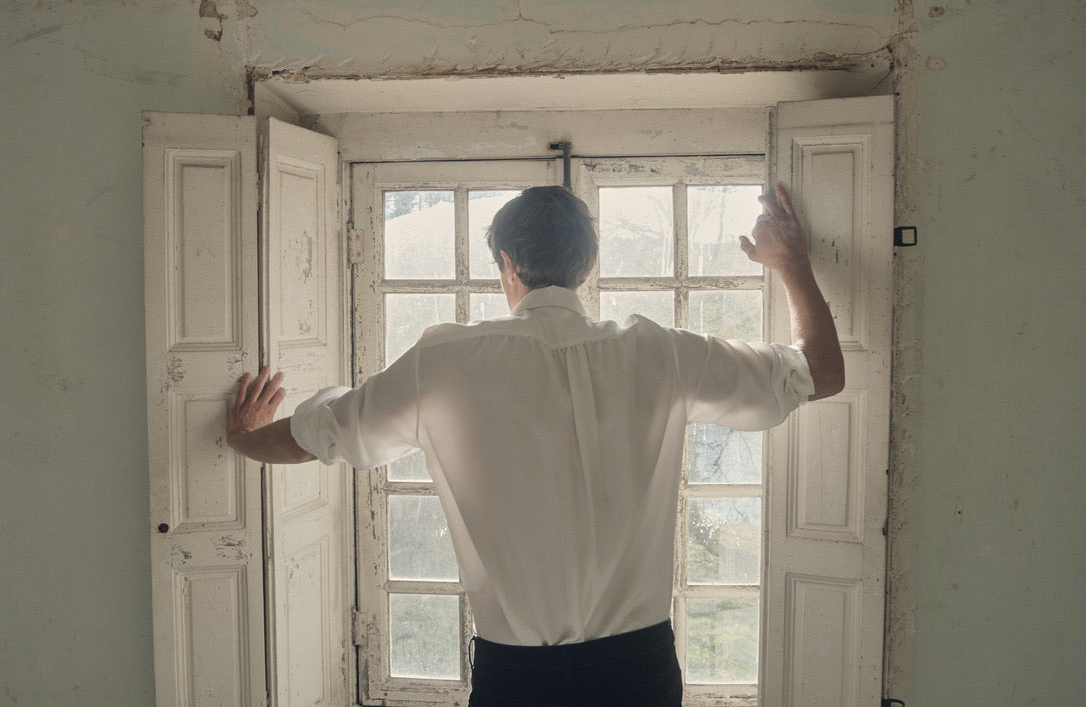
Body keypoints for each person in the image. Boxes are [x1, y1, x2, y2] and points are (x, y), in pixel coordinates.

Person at [226, 184, 843, 706]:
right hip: (639, 673)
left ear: (505, 261)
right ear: (586, 266)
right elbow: (822, 371)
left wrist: (244, 436)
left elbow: (316, 436)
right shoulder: (660, 352)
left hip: (515, 678)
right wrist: (791, 264)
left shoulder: (444, 362)